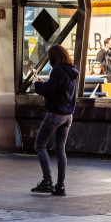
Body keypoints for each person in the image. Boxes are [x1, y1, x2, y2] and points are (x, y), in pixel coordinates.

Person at [31, 45, 79, 197]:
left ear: (53, 57)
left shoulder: (57, 70)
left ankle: (47, 181)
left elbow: (48, 92)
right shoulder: (72, 70)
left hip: (55, 114)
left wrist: (37, 84)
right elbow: (58, 90)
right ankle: (60, 186)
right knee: (60, 149)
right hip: (68, 115)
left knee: (39, 145)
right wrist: (43, 83)